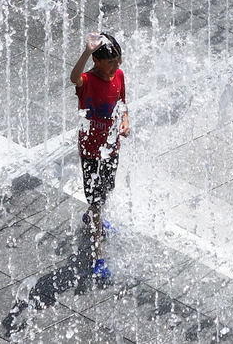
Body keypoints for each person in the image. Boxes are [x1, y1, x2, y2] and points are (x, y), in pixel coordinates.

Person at [69, 31, 129, 280]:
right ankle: (98, 257)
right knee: (96, 200)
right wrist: (86, 51)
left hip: (112, 146)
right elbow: (73, 77)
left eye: (119, 59)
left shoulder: (119, 76)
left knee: (107, 190)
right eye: (112, 61)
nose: (118, 65)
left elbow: (122, 103)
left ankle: (92, 214)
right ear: (97, 61)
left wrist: (125, 121)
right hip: (91, 151)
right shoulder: (87, 81)